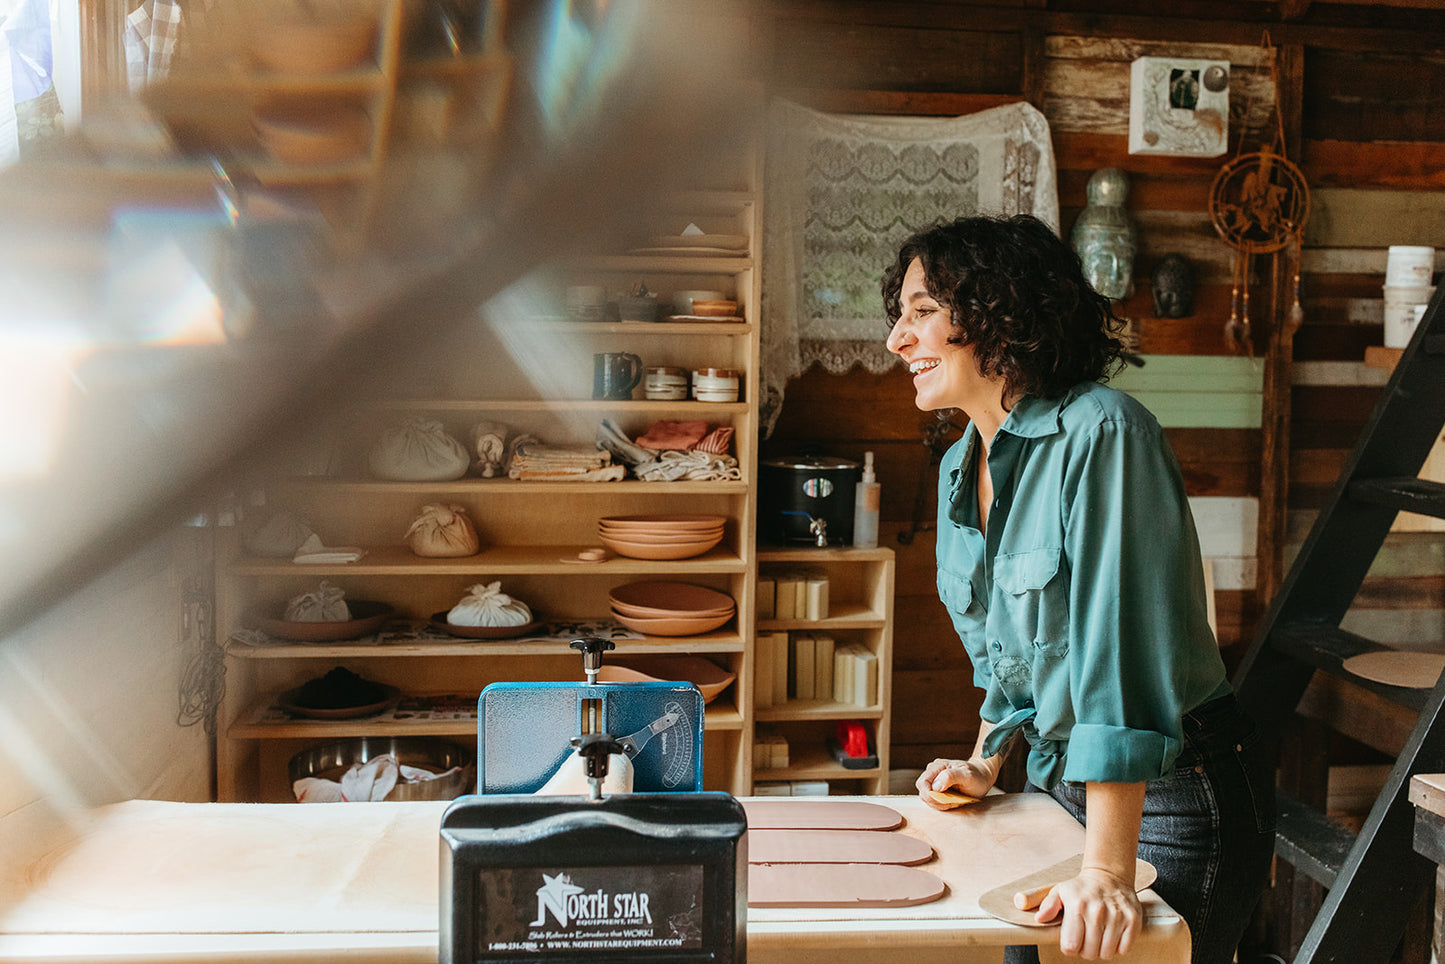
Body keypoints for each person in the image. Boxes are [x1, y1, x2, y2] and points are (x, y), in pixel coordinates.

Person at [881, 214, 1274, 963]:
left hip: (1169, 794)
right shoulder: (962, 464)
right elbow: (1015, 651)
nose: (898, 340)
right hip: (1058, 784)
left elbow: (1116, 658)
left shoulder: (1104, 432)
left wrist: (1105, 868)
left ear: (1000, 313)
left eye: (923, 312)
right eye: (900, 316)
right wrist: (987, 758)